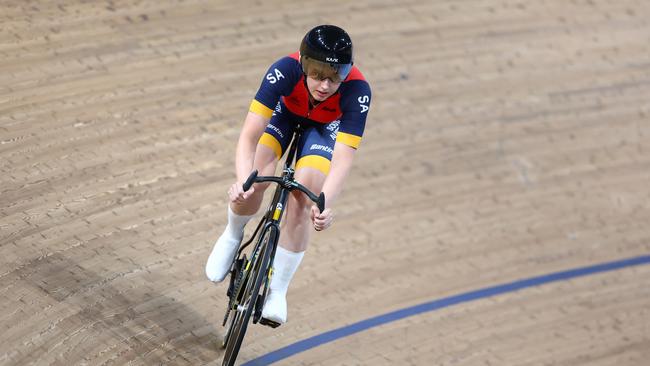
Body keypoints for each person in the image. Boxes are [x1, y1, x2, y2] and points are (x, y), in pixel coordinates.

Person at [205, 24, 371, 325]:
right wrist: (243, 181)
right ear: (304, 65)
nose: (324, 85)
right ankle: (232, 234)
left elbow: (343, 161)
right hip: (284, 116)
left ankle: (277, 290)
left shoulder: (358, 91)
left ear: (345, 74)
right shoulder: (284, 70)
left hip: (323, 130)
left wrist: (323, 204)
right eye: (318, 75)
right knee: (258, 177)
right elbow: (248, 136)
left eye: (333, 78)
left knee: (302, 198)